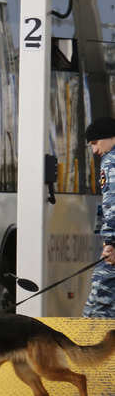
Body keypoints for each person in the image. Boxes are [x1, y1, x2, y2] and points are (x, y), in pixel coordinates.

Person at [83, 117, 115, 318]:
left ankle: (91, 348)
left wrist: (111, 242)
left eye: (95, 143)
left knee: (97, 309)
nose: (94, 150)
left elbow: (113, 203)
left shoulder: (111, 161)